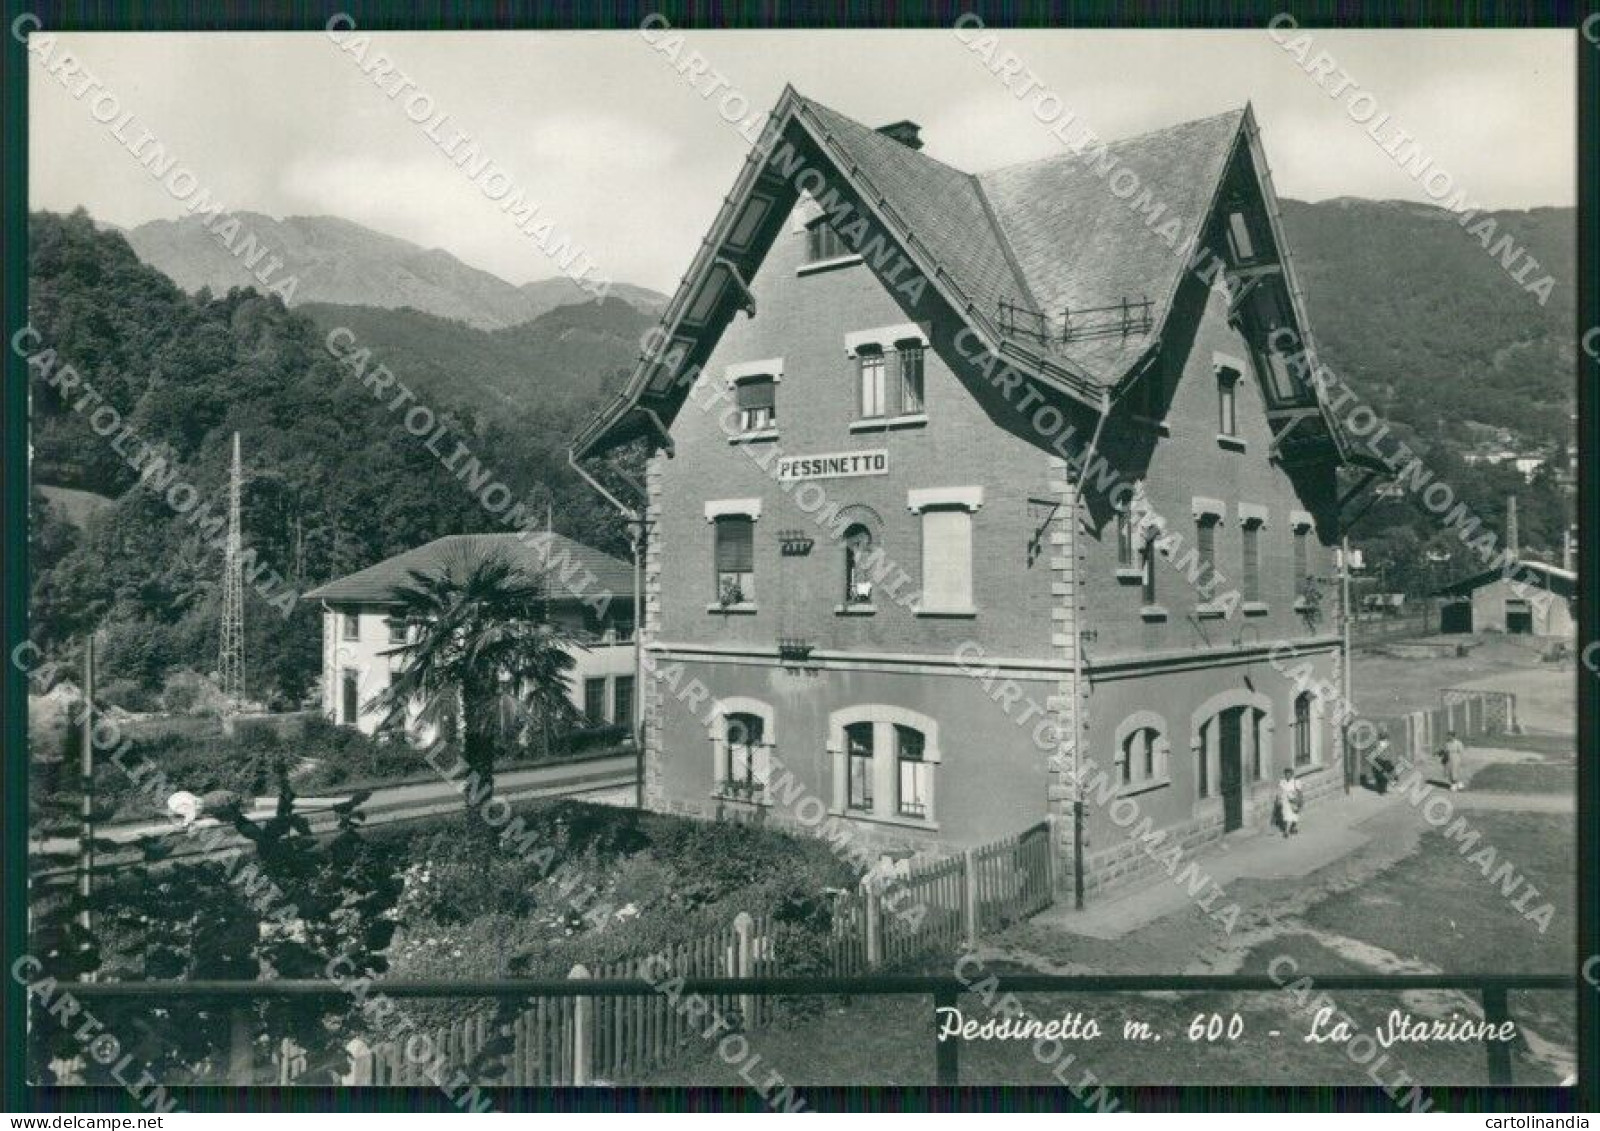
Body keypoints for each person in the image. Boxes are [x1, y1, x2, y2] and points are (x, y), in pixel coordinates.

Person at [1276, 769, 1304, 837]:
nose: (1287, 776)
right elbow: (1279, 791)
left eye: (1289, 774)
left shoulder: (1296, 782)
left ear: (1291, 775)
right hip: (1285, 801)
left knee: (1293, 815)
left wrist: (1300, 801)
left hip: (1293, 801)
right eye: (1286, 774)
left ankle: (1287, 831)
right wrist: (1278, 799)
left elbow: (1300, 792)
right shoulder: (1282, 782)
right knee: (1287, 815)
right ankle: (1292, 828)